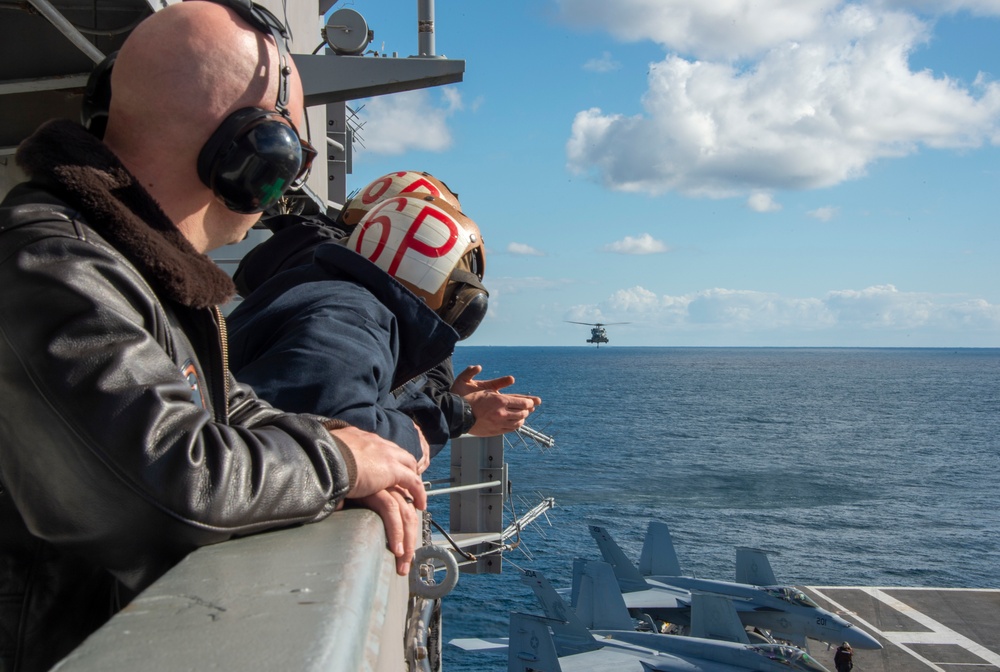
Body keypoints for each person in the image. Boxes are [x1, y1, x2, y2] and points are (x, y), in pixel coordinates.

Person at [0, 3, 424, 670]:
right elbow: (173, 483)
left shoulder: (132, 272)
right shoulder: (50, 267)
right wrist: (338, 465)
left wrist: (350, 451)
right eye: (293, 155)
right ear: (255, 155)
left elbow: (230, 409)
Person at [227, 192, 540, 465]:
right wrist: (417, 435)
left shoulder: (329, 293)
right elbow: (344, 437)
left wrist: (454, 407)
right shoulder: (350, 322)